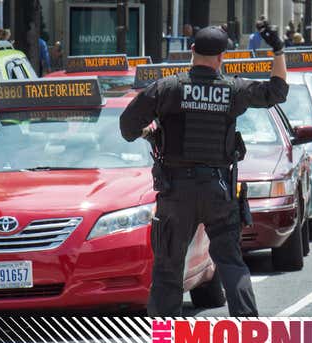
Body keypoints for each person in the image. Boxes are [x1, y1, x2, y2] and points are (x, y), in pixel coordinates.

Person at [119, 23, 288, 317]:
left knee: (168, 271)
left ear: (192, 51)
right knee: (231, 264)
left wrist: (149, 132)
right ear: (222, 56)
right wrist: (278, 50)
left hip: (176, 193)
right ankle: (249, 338)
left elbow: (127, 127)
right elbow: (277, 91)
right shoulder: (234, 89)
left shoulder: (168, 88)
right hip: (218, 191)